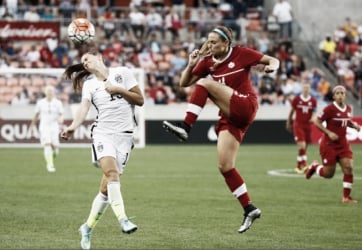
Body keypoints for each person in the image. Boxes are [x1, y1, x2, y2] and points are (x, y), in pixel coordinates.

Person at [162, 26, 280, 233]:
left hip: (246, 105)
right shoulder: (207, 62)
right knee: (225, 166)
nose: (209, 45)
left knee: (205, 84)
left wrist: (272, 67)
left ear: (226, 43)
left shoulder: (241, 53)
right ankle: (249, 208)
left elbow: (273, 60)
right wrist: (191, 65)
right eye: (208, 41)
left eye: (214, 41)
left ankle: (186, 126)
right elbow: (183, 83)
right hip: (230, 117)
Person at [60, 44, 144, 250]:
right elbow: (83, 109)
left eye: (88, 59)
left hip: (125, 137)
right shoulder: (89, 85)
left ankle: (87, 228)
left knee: (106, 190)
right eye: (84, 62)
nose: (85, 64)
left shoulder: (122, 73)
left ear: (100, 57)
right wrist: (72, 127)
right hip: (102, 134)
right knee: (112, 173)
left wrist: (118, 89)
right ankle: (123, 219)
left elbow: (140, 100)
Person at [305, 85, 361, 204]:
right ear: (334, 96)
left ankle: (346, 197)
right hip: (329, 145)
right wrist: (329, 132)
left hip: (343, 144)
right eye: (338, 93)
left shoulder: (348, 108)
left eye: (342, 93)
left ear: (345, 95)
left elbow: (346, 121)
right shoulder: (329, 109)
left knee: (349, 167)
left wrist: (354, 125)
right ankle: (315, 166)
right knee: (328, 174)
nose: (340, 95)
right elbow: (316, 122)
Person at [31, 85, 64, 173]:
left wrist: (61, 120)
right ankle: (50, 165)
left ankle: (50, 158)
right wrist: (32, 124)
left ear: (53, 92)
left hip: (54, 126)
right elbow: (36, 114)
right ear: (45, 92)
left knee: (55, 149)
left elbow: (61, 114)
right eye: (48, 91)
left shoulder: (58, 103)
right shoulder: (40, 103)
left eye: (51, 91)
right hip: (44, 126)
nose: (49, 92)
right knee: (47, 144)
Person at [286, 82, 317, 174]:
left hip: (308, 125)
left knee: (304, 147)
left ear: (310, 89)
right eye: (304, 87)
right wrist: (288, 122)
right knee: (302, 145)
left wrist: (313, 118)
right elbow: (291, 111)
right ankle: (304, 165)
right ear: (302, 89)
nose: (306, 89)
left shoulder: (313, 101)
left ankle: (298, 165)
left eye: (307, 87)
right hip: (298, 124)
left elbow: (314, 112)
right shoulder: (296, 99)